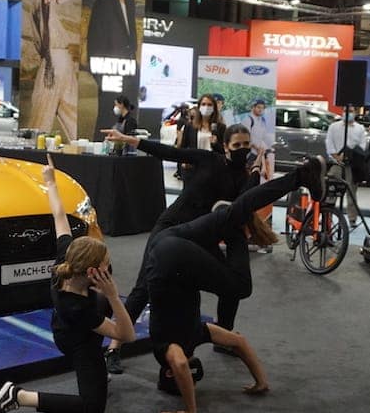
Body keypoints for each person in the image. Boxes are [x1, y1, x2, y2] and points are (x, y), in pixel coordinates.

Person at [144, 156, 328, 413]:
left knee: (240, 287)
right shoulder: (196, 333)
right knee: (237, 210)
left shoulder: (166, 349)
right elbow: (239, 342)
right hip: (166, 242)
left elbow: (180, 363)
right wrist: (261, 381)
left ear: (169, 372)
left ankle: (236, 232)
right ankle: (302, 175)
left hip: (173, 261)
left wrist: (190, 411)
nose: (189, 368)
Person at [98, 124, 257, 373]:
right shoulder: (208, 159)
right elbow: (170, 153)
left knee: (232, 283)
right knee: (144, 286)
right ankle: (114, 347)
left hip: (201, 236)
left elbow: (245, 203)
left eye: (246, 145)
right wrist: (128, 139)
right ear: (226, 146)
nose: (242, 149)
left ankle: (224, 336)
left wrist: (256, 173)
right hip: (171, 227)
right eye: (237, 145)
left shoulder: (244, 177)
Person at [0, 155, 135, 413]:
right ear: (91, 272)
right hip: (76, 341)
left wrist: (50, 181)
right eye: (106, 264)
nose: (109, 268)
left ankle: (97, 372)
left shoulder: (66, 259)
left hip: (71, 323)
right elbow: (127, 335)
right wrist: (114, 296)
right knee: (92, 408)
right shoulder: (77, 307)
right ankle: (18, 396)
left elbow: (59, 217)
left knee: (101, 301)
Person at [26, 0, 78, 139]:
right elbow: (40, 32)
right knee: (44, 123)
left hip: (61, 63)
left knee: (43, 125)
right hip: (55, 62)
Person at [325, 108, 369, 225]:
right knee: (331, 190)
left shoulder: (360, 128)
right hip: (337, 163)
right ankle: (327, 216)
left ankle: (352, 218)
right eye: (346, 110)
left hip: (352, 165)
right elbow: (329, 143)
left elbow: (362, 146)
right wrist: (336, 156)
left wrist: (350, 155)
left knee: (351, 193)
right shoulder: (334, 127)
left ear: (355, 113)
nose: (348, 113)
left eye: (351, 111)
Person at [241, 98, 273, 170]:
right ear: (253, 107)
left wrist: (270, 147)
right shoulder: (248, 120)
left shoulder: (261, 121)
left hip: (258, 153)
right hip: (249, 154)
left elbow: (264, 136)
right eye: (258, 107)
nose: (261, 110)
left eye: (262, 108)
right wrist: (256, 147)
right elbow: (246, 138)